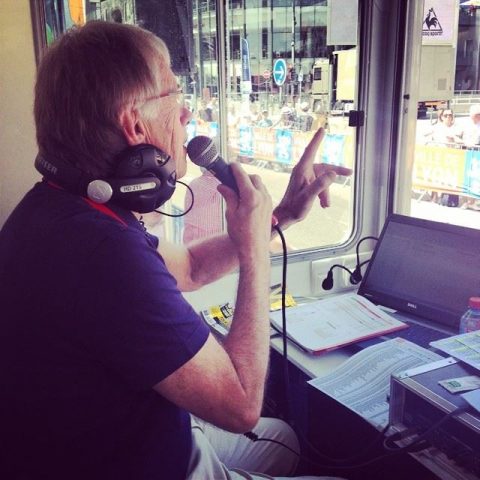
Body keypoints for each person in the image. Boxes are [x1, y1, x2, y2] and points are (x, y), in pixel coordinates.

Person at [0, 21, 351, 480]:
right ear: (133, 122)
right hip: (149, 465)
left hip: (135, 436)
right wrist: (256, 255)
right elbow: (242, 404)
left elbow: (189, 267)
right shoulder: (102, 255)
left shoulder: (59, 206)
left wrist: (277, 217)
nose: (187, 115)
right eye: (174, 95)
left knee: (282, 438)